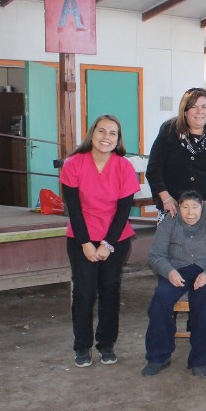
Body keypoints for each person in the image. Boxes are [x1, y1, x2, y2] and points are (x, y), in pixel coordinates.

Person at [60, 114, 140, 368]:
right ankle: (82, 347)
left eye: (112, 133)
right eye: (101, 131)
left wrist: (108, 244)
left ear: (118, 139)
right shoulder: (73, 164)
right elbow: (73, 208)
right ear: (92, 134)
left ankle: (106, 344)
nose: (106, 137)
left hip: (115, 239)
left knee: (110, 290)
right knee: (83, 292)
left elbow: (123, 211)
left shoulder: (123, 167)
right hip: (81, 238)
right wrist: (85, 243)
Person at [141, 190, 206, 378]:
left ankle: (200, 359)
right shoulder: (170, 220)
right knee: (161, 298)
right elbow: (156, 255)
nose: (190, 213)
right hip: (178, 268)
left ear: (202, 206)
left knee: (205, 296)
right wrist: (169, 271)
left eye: (195, 207)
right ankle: (158, 356)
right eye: (185, 207)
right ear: (179, 207)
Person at [146, 87, 206, 221]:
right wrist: (166, 199)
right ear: (185, 111)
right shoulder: (169, 132)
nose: (199, 111)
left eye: (204, 107)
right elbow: (153, 171)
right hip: (173, 207)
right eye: (193, 107)